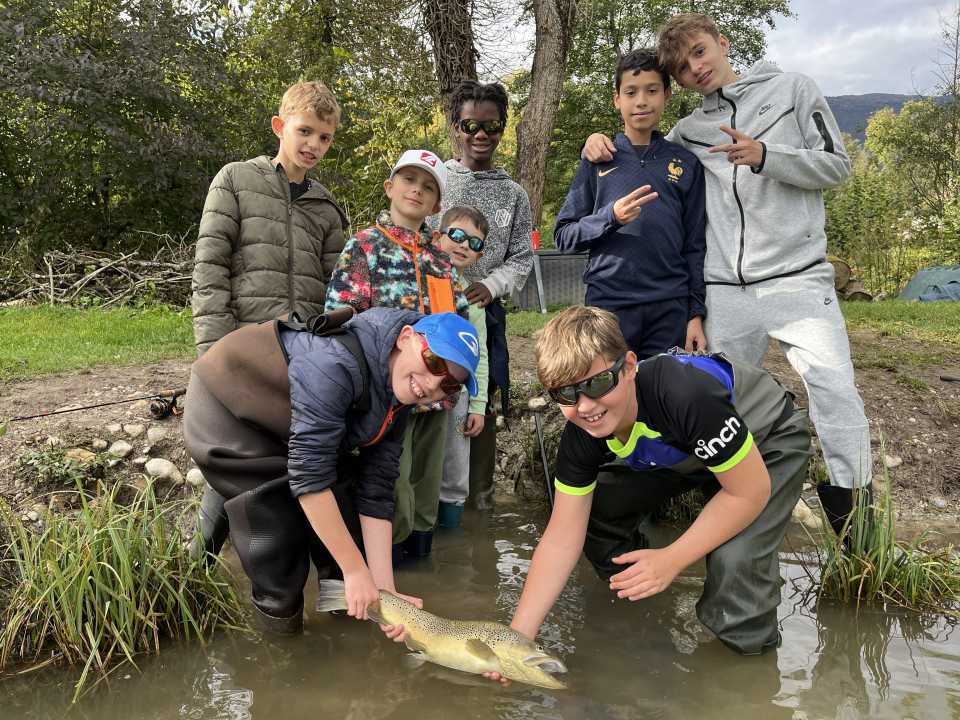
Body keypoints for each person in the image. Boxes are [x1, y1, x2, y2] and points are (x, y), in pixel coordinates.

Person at [582, 13, 871, 528]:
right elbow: (641, 144)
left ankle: (857, 523)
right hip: (724, 292)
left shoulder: (793, 90)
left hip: (797, 278)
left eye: (699, 52)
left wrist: (766, 154)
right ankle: (719, 511)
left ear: (722, 42)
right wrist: (597, 143)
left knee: (834, 390)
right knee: (712, 400)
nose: (695, 69)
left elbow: (838, 166)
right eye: (682, 65)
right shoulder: (687, 132)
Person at [485, 305, 811, 662]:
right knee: (598, 512)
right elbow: (562, 537)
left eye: (597, 384)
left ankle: (745, 668)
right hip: (684, 450)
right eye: (565, 395)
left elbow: (748, 493)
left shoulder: (682, 394)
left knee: (736, 560)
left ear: (627, 366)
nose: (585, 406)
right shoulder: (581, 433)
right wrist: (516, 640)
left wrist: (672, 559)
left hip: (765, 440)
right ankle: (641, 603)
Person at [182, 306, 481, 634]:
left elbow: (377, 486)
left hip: (288, 426)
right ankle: (282, 648)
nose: (433, 384)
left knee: (345, 515)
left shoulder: (401, 394)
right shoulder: (334, 364)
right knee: (279, 544)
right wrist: (355, 571)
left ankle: (343, 619)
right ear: (405, 338)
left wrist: (384, 591)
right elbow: (309, 477)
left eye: (450, 385)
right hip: (227, 412)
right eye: (434, 363)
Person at [189, 80, 349, 560]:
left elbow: (335, 290)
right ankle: (195, 565)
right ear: (281, 126)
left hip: (301, 356)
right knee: (231, 455)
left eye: (324, 137)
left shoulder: (326, 206)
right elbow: (211, 267)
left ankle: (281, 566)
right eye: (305, 131)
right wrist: (212, 349)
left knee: (290, 459)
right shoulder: (235, 180)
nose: (313, 145)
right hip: (241, 351)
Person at [325, 149, 469, 561]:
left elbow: (455, 327)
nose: (417, 191)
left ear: (437, 204)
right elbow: (341, 322)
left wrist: (453, 388)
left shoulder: (442, 260)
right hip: (388, 397)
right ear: (390, 187)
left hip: (438, 396)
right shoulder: (364, 246)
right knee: (393, 489)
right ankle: (387, 576)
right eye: (409, 181)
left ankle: (422, 572)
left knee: (427, 488)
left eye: (428, 187)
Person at [554, 48, 706, 358]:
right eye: (631, 92)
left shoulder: (686, 163)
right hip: (609, 303)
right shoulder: (597, 159)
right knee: (610, 392)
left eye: (652, 91)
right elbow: (563, 236)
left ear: (666, 95)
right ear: (617, 99)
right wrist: (610, 217)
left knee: (661, 396)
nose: (641, 101)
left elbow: (695, 246)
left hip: (669, 307)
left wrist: (695, 313)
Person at [433, 79, 534, 509]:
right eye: (470, 124)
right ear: (456, 126)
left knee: (484, 397)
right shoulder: (435, 179)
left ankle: (478, 504)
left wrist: (490, 287)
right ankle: (429, 498)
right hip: (433, 309)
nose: (480, 135)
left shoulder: (514, 194)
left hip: (485, 315)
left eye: (491, 127)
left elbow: (521, 258)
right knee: (430, 391)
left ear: (502, 129)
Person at [434, 206, 491, 528]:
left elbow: (479, 355)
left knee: (455, 467)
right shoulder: (416, 278)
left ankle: (451, 535)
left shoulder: (472, 299)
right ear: (439, 234)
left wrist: (478, 405)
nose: (464, 245)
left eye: (475, 243)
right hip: (416, 390)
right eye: (456, 235)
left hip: (457, 393)